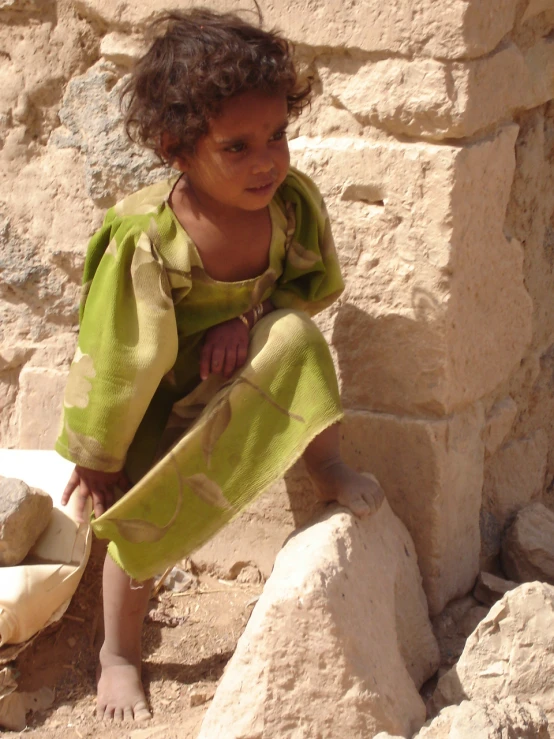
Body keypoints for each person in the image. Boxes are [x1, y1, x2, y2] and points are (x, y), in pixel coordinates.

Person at [56, 8, 385, 723]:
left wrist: (247, 318)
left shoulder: (286, 208)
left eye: (277, 136)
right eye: (236, 147)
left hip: (233, 384)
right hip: (156, 409)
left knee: (296, 336)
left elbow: (303, 288)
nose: (267, 160)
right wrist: (98, 452)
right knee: (142, 523)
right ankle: (119, 653)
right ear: (177, 150)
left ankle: (325, 464)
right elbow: (116, 354)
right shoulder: (150, 238)